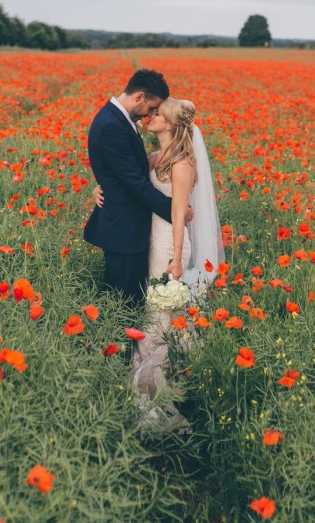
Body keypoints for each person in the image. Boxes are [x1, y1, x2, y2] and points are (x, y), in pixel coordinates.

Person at [94, 97, 225, 430]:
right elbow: (129, 185)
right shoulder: (154, 158)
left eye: (158, 115)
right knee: (155, 312)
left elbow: (179, 215)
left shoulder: (182, 164)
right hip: (149, 241)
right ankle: (162, 380)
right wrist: (97, 190)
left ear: (172, 124)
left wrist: (178, 259)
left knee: (159, 315)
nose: (151, 117)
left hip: (169, 245)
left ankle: (154, 389)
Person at [84, 68, 181, 305]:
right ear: (139, 96)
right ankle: (121, 343)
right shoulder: (112, 125)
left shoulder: (117, 119)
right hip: (124, 231)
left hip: (127, 227)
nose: (149, 115)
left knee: (128, 299)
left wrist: (105, 183)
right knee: (124, 302)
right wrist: (175, 210)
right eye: (150, 108)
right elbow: (134, 183)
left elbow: (124, 172)